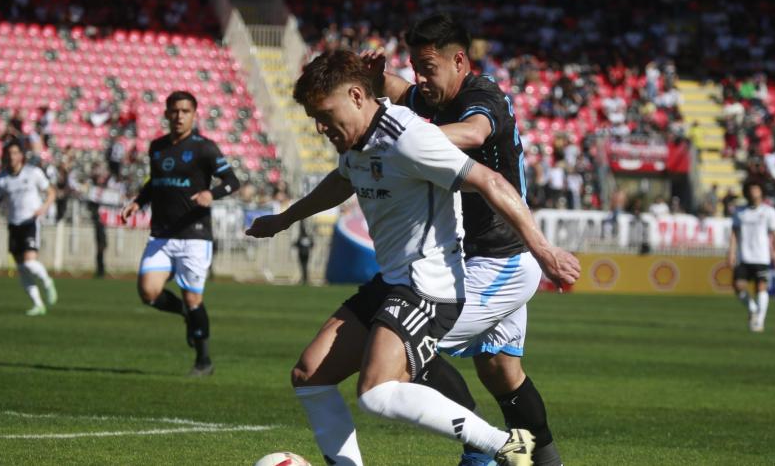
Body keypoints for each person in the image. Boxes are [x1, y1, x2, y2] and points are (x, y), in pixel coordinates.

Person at [247, 49, 579, 466]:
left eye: (326, 115)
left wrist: (543, 249)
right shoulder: (357, 141)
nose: (320, 128)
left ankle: (505, 447)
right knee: (310, 375)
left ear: (354, 95)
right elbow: (341, 180)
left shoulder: (408, 138)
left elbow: (489, 180)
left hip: (429, 285)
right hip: (392, 281)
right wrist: (284, 218)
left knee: (378, 392)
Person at [364, 14, 568, 465]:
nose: (420, 77)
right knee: (502, 372)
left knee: (408, 343)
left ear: (460, 60)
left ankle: (482, 453)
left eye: (428, 67)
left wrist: (406, 141)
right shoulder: (437, 95)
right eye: (415, 66)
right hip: (484, 258)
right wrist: (379, 79)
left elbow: (474, 133)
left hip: (501, 261)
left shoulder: (481, 97)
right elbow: (402, 92)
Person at [120, 91, 240, 376]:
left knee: (193, 298)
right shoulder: (157, 147)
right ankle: (187, 317)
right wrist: (138, 201)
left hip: (194, 235)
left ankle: (204, 361)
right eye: (174, 111)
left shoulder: (205, 148)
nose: (179, 116)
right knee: (148, 292)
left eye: (185, 111)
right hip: (161, 234)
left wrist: (212, 193)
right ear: (166, 113)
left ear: (194, 114)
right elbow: (155, 182)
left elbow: (232, 181)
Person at [0, 142, 57, 316]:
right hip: (14, 224)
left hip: (30, 222)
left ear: (21, 155)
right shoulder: (2, 178)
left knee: (29, 263)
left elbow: (51, 192)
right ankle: (38, 304)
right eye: (9, 153)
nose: (12, 156)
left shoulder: (32, 173)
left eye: (15, 152)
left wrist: (44, 208)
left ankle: (47, 281)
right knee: (21, 268)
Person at [727, 179, 775, 333]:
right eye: (751, 189)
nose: (753, 192)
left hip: (761, 257)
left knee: (761, 287)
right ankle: (752, 309)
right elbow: (734, 234)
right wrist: (731, 252)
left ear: (761, 192)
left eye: (756, 189)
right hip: (744, 256)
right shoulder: (740, 212)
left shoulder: (768, 212)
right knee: (738, 286)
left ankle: (759, 321)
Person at [294, 220, 314, 285]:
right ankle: (304, 278)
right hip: (307, 253)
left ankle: (304, 278)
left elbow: (296, 244)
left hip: (302, 253)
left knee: (303, 266)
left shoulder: (301, 237)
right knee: (305, 266)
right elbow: (312, 244)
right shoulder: (308, 237)